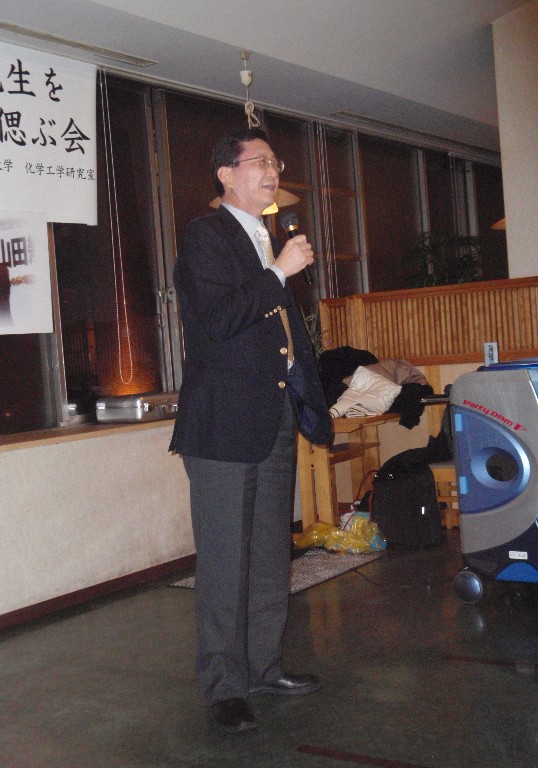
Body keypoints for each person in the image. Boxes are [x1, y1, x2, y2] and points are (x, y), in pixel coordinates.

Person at [169, 128, 332, 733]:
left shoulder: (267, 238)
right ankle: (224, 687)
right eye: (259, 162)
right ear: (226, 174)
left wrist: (309, 397)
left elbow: (281, 335)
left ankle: (264, 667)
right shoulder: (206, 236)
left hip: (274, 415)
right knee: (224, 561)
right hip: (222, 424)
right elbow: (215, 322)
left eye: (274, 162)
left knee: (269, 555)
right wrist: (278, 272)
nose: (271, 172)